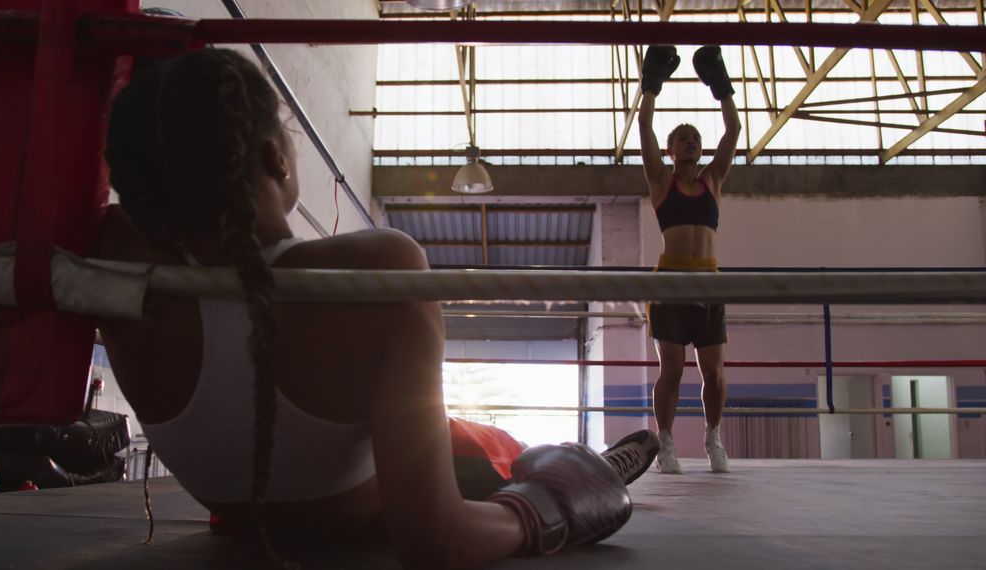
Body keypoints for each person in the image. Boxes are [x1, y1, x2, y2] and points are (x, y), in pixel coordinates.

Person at [96, 47, 658, 567]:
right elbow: (437, 539)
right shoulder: (377, 268)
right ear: (277, 158)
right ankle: (589, 471)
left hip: (241, 518)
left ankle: (585, 462)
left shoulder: (108, 258)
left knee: (474, 436)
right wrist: (542, 511)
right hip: (374, 510)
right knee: (497, 452)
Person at [637, 45, 741, 474]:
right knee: (674, 368)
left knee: (715, 374)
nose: (692, 142)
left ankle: (713, 437)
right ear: (670, 148)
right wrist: (651, 85)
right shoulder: (661, 181)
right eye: (684, 138)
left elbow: (733, 129)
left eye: (696, 138)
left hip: (709, 282)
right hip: (671, 282)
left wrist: (720, 86)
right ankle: (665, 441)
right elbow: (643, 123)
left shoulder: (714, 179)